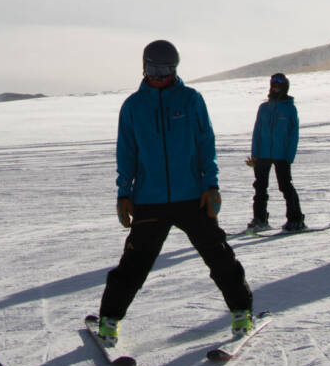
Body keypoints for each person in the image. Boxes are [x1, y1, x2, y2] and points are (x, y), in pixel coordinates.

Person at [96, 39, 254, 342]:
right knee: (134, 264)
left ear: (175, 68)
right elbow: (126, 153)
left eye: (165, 68)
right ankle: (109, 319)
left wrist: (212, 185)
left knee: (219, 256)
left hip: (192, 196)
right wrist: (123, 193)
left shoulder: (191, 100)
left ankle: (241, 311)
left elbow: (205, 143)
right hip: (150, 200)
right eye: (153, 68)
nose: (158, 75)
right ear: (143, 67)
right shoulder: (133, 106)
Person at [246, 73, 305, 231]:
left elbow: (294, 134)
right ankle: (260, 219)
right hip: (262, 154)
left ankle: (296, 219)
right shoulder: (263, 108)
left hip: (282, 155)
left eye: (279, 84)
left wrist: (289, 156)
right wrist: (255, 155)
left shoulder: (290, 109)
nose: (275, 87)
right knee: (260, 187)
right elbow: (257, 132)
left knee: (285, 186)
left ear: (285, 86)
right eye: (273, 84)